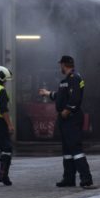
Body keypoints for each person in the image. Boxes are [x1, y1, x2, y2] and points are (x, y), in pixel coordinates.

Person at [38, 55, 93, 188]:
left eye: (61, 65)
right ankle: (68, 178)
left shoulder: (75, 78)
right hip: (64, 119)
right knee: (67, 150)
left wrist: (67, 110)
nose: (60, 67)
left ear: (64, 65)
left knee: (75, 148)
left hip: (72, 117)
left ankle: (86, 178)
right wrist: (47, 93)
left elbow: (75, 97)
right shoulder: (65, 81)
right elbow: (60, 96)